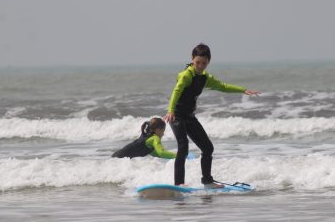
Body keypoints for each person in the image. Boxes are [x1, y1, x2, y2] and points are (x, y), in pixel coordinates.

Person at [163, 43, 260, 188]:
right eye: (197, 62)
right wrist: (170, 110)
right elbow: (176, 92)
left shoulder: (205, 78)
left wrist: (243, 90)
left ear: (208, 62)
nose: (200, 66)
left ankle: (207, 181)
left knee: (208, 148)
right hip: (176, 115)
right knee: (183, 147)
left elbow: (223, 86)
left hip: (189, 116)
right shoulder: (186, 75)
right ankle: (179, 184)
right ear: (192, 59)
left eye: (204, 63)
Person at [111, 117, 177, 159]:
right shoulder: (154, 138)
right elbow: (161, 153)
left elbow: (156, 154)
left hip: (116, 157)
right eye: (163, 131)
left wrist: (173, 156)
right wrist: (179, 156)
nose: (163, 134)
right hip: (119, 158)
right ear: (158, 130)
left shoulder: (147, 137)